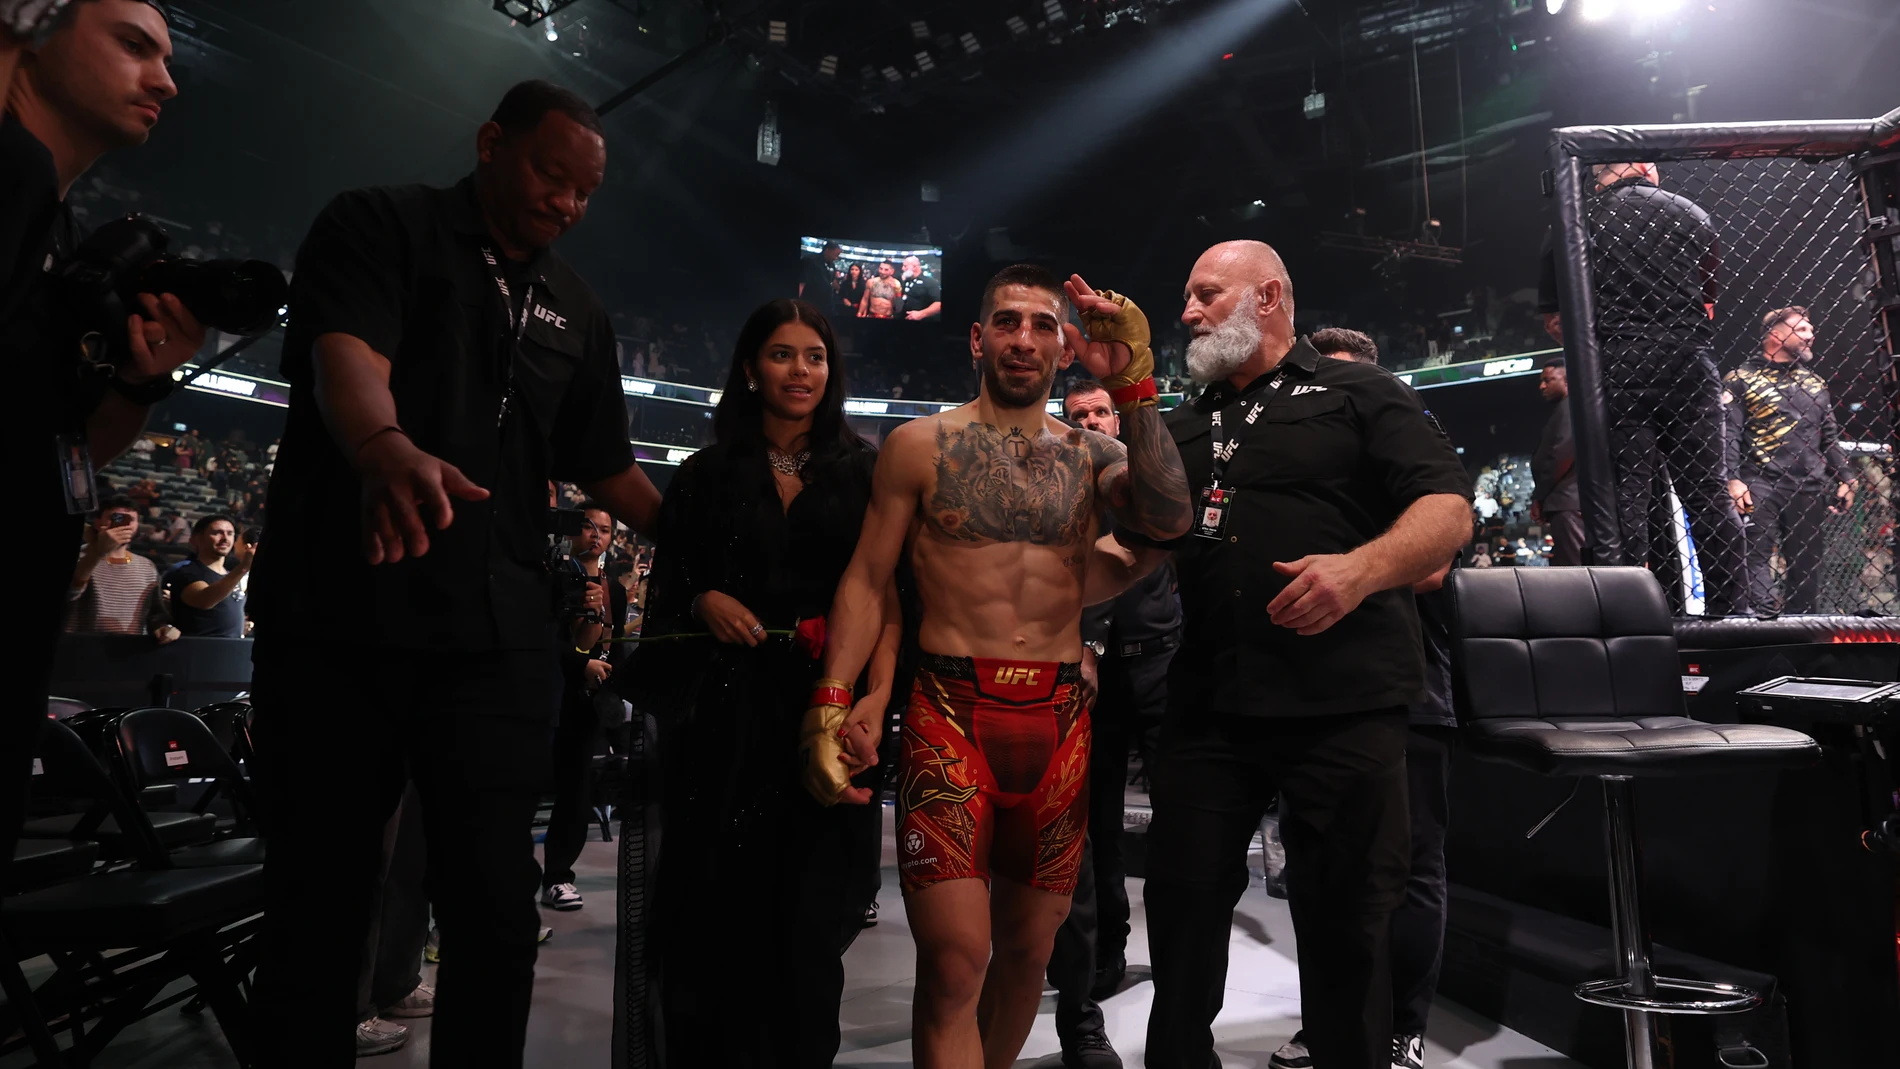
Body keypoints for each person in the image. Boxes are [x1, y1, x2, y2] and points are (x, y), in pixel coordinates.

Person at [244, 80, 662, 1069]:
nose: (566, 203)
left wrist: (711, 526)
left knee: (494, 913)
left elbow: (605, 464)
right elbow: (344, 354)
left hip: (496, 638)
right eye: (550, 175)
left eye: (584, 193)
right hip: (342, 620)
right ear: (489, 144)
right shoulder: (377, 222)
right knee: (319, 906)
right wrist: (383, 445)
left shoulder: (576, 306)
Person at [1091, 241, 1471, 1069]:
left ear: (1267, 297)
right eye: (1185, 296)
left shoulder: (1362, 391)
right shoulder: (1185, 421)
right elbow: (1143, 549)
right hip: (1209, 703)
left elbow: (1448, 513)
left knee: (1346, 927)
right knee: (1183, 914)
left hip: (1344, 703)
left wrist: (1360, 569)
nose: (1186, 311)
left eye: (1204, 294)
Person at [812, 264, 1193, 1069]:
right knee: (955, 961)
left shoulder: (1093, 456)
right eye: (1009, 321)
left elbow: (1168, 518)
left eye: (1043, 324)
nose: (1025, 337)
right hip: (948, 716)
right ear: (978, 338)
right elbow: (865, 578)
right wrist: (832, 698)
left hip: (1057, 723)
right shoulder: (918, 446)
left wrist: (1137, 385)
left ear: (1064, 347)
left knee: (1029, 955)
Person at [615, 298, 904, 1068]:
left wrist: (875, 699)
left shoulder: (866, 472)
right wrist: (703, 597)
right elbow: (667, 599)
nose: (799, 370)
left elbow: (889, 598)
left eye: (814, 356)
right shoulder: (702, 476)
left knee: (815, 928)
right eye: (781, 354)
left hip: (825, 712)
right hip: (722, 723)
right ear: (750, 368)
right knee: (715, 920)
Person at [2, 0, 201, 895]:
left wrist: (140, 381)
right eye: (133, 46)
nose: (163, 79)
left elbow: (70, 445)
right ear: (30, 34)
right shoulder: (8, 175)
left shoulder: (62, 229)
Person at [1282, 326, 1460, 1069]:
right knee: (1319, 866)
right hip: (1313, 690)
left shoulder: (1412, 442)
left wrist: (1353, 567)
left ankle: (1402, 1026)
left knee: (1410, 866)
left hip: (1408, 684)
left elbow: (1433, 566)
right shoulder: (1299, 450)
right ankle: (1331, 1020)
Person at [1043, 382, 1185, 1069]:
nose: (1092, 421)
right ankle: (1104, 954)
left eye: (1100, 411)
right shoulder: (1069, 483)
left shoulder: (1151, 480)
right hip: (1092, 664)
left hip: (1159, 661)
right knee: (1095, 823)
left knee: (1180, 819)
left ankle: (1179, 958)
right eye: (1080, 416)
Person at [1539, 162, 1747, 612]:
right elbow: (1708, 299)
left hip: (1616, 363)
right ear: (1648, 170)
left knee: (1625, 494)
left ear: (1598, 177)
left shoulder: (1575, 221)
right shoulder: (1692, 213)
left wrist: (1596, 341)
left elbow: (1556, 317)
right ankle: (1732, 616)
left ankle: (1631, 616)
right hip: (1687, 360)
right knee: (1707, 491)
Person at [1724, 306, 1856, 615]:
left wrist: (1847, 478)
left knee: (1807, 567)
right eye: (1802, 330)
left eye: (1811, 330)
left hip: (1808, 485)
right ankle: (1765, 622)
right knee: (1753, 557)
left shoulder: (1815, 384)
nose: (1811, 336)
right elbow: (1728, 434)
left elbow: (1829, 437)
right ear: (1776, 335)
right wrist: (1732, 478)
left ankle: (1803, 634)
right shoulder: (1742, 379)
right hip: (1759, 481)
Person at [539, 499, 628, 911]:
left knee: (576, 794)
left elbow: (612, 646)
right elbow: (548, 645)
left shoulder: (615, 588)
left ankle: (558, 876)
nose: (597, 535)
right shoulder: (552, 577)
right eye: (589, 526)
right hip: (547, 693)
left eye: (605, 529)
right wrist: (580, 662)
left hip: (586, 702)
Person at [66, 495, 179, 640]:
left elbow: (154, 613)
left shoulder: (146, 566)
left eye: (130, 519)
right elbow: (70, 594)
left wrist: (163, 627)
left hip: (127, 653)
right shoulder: (80, 556)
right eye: (116, 518)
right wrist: (98, 552)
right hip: (80, 649)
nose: (123, 524)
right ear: (97, 523)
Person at [1530, 358, 1583, 566]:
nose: (1542, 386)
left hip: (1569, 500)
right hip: (1567, 499)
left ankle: (1585, 600)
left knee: (1576, 565)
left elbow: (1562, 454)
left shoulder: (1571, 407)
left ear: (1567, 380)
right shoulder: (1567, 407)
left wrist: (1540, 495)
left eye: (1548, 380)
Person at [164, 512, 252, 638]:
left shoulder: (231, 575)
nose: (225, 538)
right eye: (217, 533)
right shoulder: (186, 572)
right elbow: (205, 600)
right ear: (197, 539)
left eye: (230, 533)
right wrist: (244, 567)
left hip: (232, 651)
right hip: (200, 652)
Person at [902, 254, 943, 321]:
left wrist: (922, 314)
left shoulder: (930, 282)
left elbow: (939, 303)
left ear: (914, 267)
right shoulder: (906, 280)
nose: (902, 268)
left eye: (905, 266)